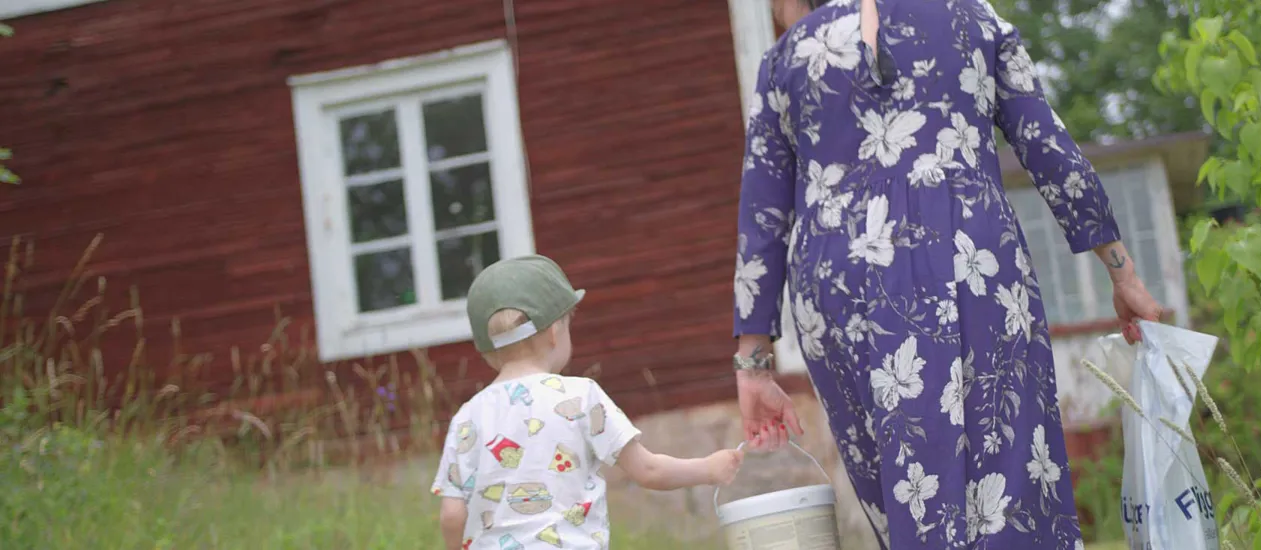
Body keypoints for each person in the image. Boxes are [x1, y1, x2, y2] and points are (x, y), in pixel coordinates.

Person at [731, 0, 1165, 547]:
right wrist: (1121, 273)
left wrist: (753, 364)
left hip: (841, 288)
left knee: (907, 491)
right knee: (1010, 482)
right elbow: (1047, 146)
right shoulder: (974, 18)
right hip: (971, 258)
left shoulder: (784, 60)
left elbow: (762, 215)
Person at [433, 255, 743, 550]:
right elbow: (649, 470)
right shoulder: (580, 397)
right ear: (555, 332)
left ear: (487, 352)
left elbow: (451, 515)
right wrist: (709, 469)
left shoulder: (466, 417)